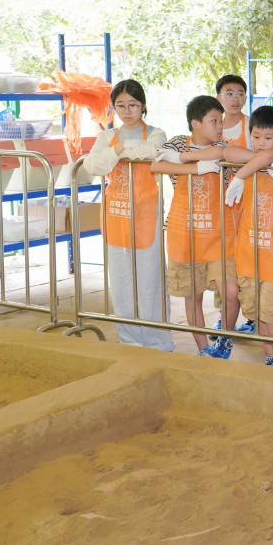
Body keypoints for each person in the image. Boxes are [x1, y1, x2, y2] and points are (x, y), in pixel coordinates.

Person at [85, 80, 173, 352]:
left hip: (146, 213)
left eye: (133, 105)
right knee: (121, 281)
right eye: (120, 105)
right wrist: (121, 148)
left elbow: (155, 152)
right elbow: (93, 165)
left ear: (143, 105)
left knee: (150, 279)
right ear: (113, 108)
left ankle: (157, 342)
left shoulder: (156, 133)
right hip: (117, 214)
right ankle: (129, 340)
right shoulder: (106, 137)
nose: (127, 111)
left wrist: (117, 153)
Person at [151, 95, 239, 358]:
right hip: (185, 234)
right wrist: (197, 168)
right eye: (214, 121)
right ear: (196, 123)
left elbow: (222, 155)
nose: (220, 126)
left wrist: (185, 160)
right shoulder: (178, 142)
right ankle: (204, 349)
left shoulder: (222, 145)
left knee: (231, 292)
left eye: (221, 121)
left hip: (219, 235)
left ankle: (225, 340)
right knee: (193, 295)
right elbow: (157, 164)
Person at [218, 106, 273, 366]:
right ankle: (271, 358)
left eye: (268, 137)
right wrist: (253, 161)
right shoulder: (253, 157)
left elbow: (270, 156)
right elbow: (225, 152)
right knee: (260, 313)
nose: (261, 143)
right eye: (255, 136)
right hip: (250, 253)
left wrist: (240, 176)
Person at [217, 74, 251, 149]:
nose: (235, 99)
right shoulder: (214, 128)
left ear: (245, 99)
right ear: (219, 99)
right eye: (230, 94)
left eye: (240, 94)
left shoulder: (252, 125)